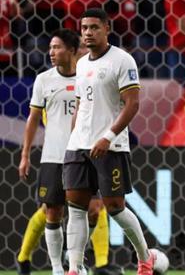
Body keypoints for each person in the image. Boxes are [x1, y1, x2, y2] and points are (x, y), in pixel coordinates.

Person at [63, 8, 155, 275]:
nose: (88, 33)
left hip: (110, 146)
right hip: (78, 146)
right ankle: (74, 268)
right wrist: (72, 139)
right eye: (84, 28)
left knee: (115, 208)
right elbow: (80, 105)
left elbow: (133, 104)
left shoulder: (122, 60)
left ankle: (144, 258)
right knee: (76, 208)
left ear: (107, 28)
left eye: (94, 27)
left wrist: (108, 137)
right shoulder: (81, 64)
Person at [17, 30, 112, 275]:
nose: (51, 52)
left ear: (72, 50)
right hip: (54, 156)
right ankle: (58, 269)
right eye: (50, 47)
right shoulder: (44, 80)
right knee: (52, 211)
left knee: (93, 209)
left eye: (57, 47)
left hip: (84, 155)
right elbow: (33, 118)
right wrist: (25, 155)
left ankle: (77, 258)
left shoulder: (88, 78)